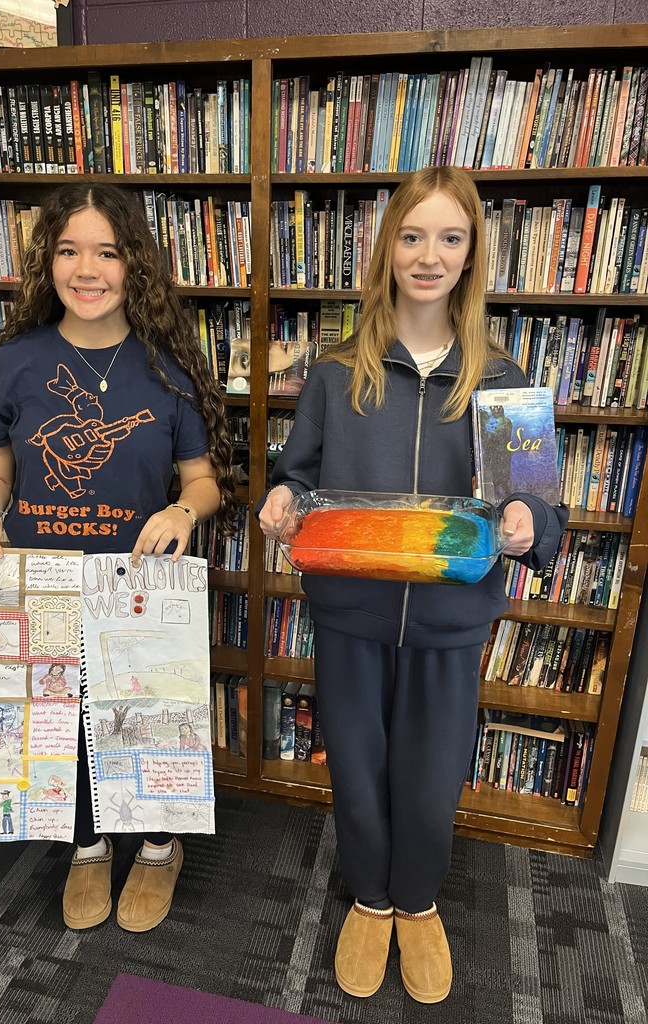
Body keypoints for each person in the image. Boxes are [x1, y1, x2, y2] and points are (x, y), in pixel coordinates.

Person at [258, 167, 568, 1004]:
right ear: (387, 247)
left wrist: (528, 522)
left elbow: (542, 509)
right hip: (350, 613)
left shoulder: (500, 379)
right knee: (357, 769)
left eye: (450, 238)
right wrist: (282, 501)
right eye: (413, 236)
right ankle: (370, 897)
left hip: (450, 619)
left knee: (431, 777)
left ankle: (418, 901)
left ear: (471, 255)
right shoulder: (336, 374)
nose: (429, 256)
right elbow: (296, 477)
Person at [0, 182, 236, 933]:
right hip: (41, 582)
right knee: (61, 718)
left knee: (148, 717)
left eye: (106, 252)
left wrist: (182, 509)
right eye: (68, 250)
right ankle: (86, 843)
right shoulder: (14, 362)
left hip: (137, 585)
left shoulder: (168, 366)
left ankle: (159, 845)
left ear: (133, 263)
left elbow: (204, 482)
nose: (87, 269)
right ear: (47, 262)